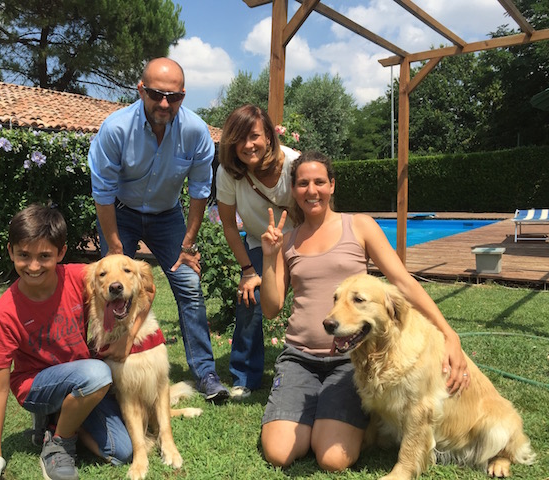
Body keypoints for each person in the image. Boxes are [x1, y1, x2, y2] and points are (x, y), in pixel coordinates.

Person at [259, 151, 470, 471]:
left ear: (332, 185)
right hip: (300, 357)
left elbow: (402, 282)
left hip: (350, 362)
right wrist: (269, 256)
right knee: (279, 453)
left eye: (319, 182)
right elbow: (271, 308)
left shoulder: (359, 226)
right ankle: (309, 415)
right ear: (294, 189)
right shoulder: (287, 241)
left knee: (332, 459)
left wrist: (448, 333)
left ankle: (323, 420)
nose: (312, 190)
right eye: (303, 183)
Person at [0, 204, 144, 480]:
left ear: (61, 253)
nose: (33, 266)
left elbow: (146, 292)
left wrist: (128, 338)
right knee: (98, 373)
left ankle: (56, 421)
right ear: (11, 251)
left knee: (121, 452)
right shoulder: (5, 312)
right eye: (24, 255)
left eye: (44, 256)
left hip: (82, 382)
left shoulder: (79, 277)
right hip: (37, 387)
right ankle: (58, 442)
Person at [88, 57, 229, 402]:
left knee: (189, 285)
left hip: (168, 217)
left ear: (183, 96)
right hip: (121, 213)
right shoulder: (116, 129)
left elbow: (200, 190)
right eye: (156, 94)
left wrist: (188, 243)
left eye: (174, 97)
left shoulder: (195, 131)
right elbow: (102, 192)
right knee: (110, 289)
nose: (164, 104)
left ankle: (206, 373)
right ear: (141, 90)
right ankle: (104, 365)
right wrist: (114, 246)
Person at [215, 104, 299, 400]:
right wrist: (248, 271)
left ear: (268, 137)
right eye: (239, 138)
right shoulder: (228, 173)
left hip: (299, 241)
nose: (248, 145)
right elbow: (228, 225)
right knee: (248, 300)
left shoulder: (293, 164)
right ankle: (244, 375)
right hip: (258, 244)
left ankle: (322, 362)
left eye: (254, 136)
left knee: (316, 294)